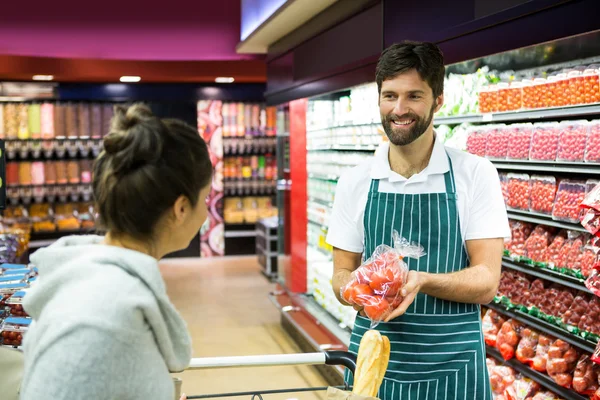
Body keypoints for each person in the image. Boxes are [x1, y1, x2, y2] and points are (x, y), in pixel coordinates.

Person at [327, 41, 510, 399]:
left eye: (414, 96)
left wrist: (420, 280)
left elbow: (487, 281)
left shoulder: (474, 174)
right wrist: (358, 287)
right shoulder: (355, 181)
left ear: (438, 100)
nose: (399, 109)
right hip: (374, 366)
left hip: (454, 368)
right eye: (389, 95)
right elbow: (339, 276)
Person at [20, 104, 213, 400]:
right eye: (205, 199)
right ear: (182, 208)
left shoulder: (94, 282)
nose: (206, 214)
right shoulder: (108, 313)